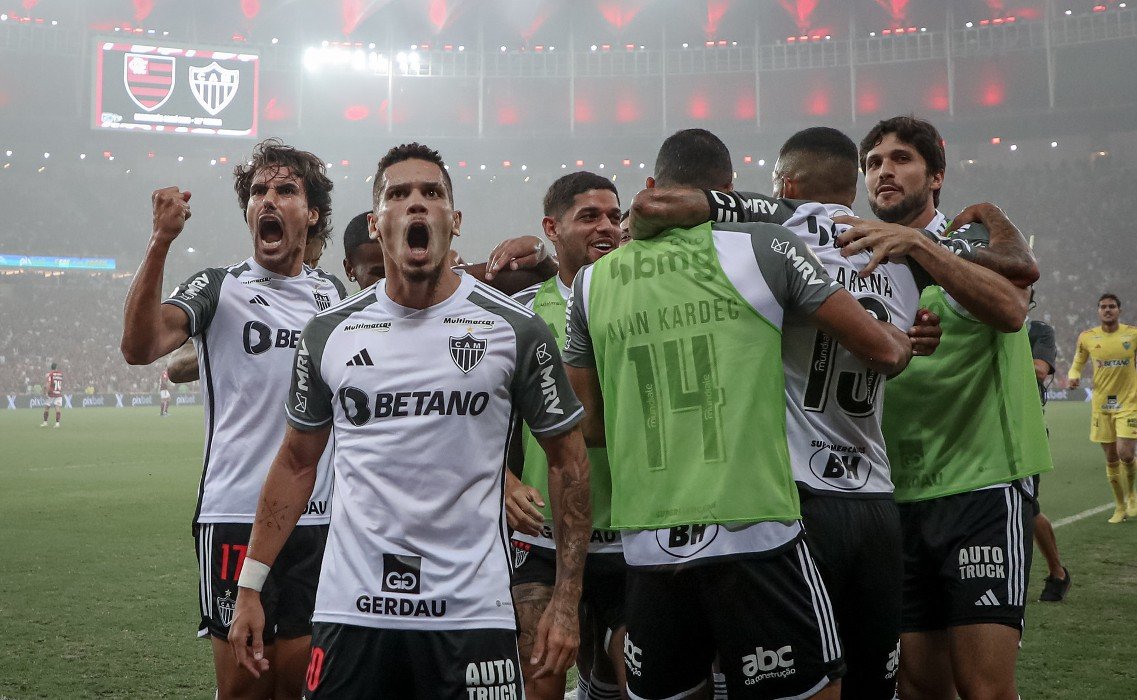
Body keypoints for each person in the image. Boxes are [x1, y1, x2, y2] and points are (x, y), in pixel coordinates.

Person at [227, 142, 592, 698]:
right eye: (399, 194)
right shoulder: (329, 334)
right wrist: (251, 584)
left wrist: (566, 601)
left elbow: (570, 463)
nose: (416, 205)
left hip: (471, 613)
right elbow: (297, 462)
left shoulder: (515, 331)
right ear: (377, 223)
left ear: (454, 220)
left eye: (432, 194)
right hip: (352, 610)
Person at [563, 128, 916, 699]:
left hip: (651, 539)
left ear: (654, 184)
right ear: (727, 190)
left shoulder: (589, 284)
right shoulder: (763, 247)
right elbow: (886, 352)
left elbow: (590, 426)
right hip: (755, 527)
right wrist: (903, 340)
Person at [121, 138, 347, 700]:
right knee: (244, 688)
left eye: (285, 190)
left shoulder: (333, 296)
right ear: (248, 211)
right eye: (258, 192)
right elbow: (140, 344)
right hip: (233, 514)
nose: (268, 200)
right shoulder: (219, 287)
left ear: (312, 213)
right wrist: (160, 241)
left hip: (316, 518)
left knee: (298, 684)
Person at [835, 115, 1049, 700]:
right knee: (919, 686)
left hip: (982, 483)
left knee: (983, 687)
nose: (884, 170)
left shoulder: (978, 244)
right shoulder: (856, 259)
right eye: (874, 162)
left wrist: (923, 247)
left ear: (936, 176)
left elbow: (1009, 310)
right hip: (895, 493)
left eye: (901, 158)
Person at [506, 171, 626, 700]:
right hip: (543, 534)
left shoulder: (641, 297)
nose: (608, 227)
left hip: (632, 528)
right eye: (590, 216)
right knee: (541, 673)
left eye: (615, 216)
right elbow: (476, 414)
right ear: (552, 228)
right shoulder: (518, 312)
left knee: (631, 676)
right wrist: (503, 479)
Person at [1068, 293, 1137, 523]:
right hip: (1102, 406)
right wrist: (1073, 376)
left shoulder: (1132, 334)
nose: (1108, 310)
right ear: (1098, 311)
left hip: (1128, 403)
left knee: (1125, 453)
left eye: (1112, 306)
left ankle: (1132, 496)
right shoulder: (1087, 337)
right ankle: (1119, 506)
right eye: (1104, 307)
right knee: (1110, 458)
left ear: (1119, 310)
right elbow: (1077, 364)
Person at [1028, 316, 1072, 601]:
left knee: (1027, 508)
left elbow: (1038, 371)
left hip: (1024, 431)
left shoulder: (1038, 330)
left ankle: (1058, 571)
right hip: (978, 428)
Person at [41, 361, 62, 428]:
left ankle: (45, 422)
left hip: (51, 393)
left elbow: (48, 383)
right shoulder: (60, 374)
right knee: (57, 408)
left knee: (47, 408)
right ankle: (57, 423)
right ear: (56, 367)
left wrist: (45, 391)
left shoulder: (50, 374)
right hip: (58, 393)